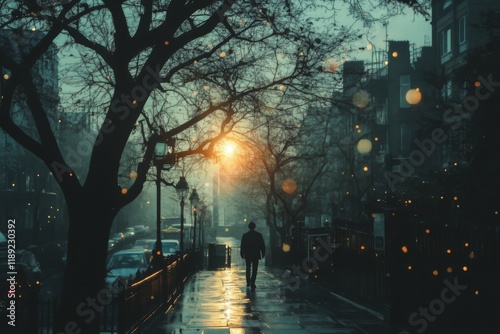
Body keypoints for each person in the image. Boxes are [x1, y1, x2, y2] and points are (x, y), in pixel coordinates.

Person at [240, 221, 266, 289]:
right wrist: (263, 253)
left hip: (248, 254)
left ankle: (248, 281)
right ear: (255, 227)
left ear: (249, 227)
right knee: (255, 269)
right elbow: (262, 245)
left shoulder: (245, 235)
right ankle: (253, 282)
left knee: (248, 268)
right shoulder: (258, 235)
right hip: (256, 254)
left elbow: (243, 245)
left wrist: (242, 253)